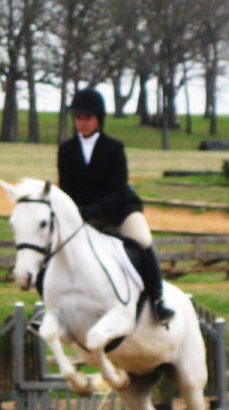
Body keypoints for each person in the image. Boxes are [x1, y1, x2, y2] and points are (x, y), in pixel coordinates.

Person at [57, 88, 175, 324]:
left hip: (119, 211)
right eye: (78, 117)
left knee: (142, 239)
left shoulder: (114, 148)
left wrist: (93, 212)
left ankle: (158, 299)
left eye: (87, 117)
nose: (82, 123)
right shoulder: (66, 150)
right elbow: (66, 189)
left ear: (98, 119)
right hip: (82, 215)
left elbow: (119, 189)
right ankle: (52, 306)